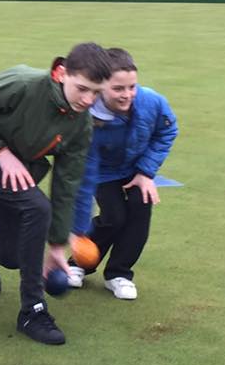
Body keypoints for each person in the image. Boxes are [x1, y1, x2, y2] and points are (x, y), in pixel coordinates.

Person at [0, 43, 111, 346]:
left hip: (22, 172)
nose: (88, 100)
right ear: (62, 72)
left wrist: (56, 245)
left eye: (96, 93)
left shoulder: (81, 124)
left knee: (13, 255)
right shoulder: (23, 83)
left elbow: (67, 184)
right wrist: (0, 153)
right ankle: (33, 311)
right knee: (37, 207)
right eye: (82, 89)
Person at [69, 48, 178, 300]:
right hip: (102, 172)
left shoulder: (152, 101)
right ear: (100, 86)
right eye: (118, 88)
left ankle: (119, 274)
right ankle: (78, 263)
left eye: (132, 87)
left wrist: (146, 172)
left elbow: (167, 132)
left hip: (137, 168)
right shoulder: (86, 113)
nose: (127, 94)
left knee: (141, 208)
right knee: (114, 216)